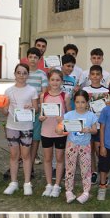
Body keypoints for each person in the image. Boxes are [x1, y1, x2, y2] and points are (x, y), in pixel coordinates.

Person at [1, 62, 39, 195]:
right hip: (12, 126)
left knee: (26, 155)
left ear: (28, 75)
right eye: (19, 73)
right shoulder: (8, 91)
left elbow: (36, 109)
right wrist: (4, 109)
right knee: (13, 155)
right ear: (15, 74)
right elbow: (5, 111)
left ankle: (27, 183)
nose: (21, 75)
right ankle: (13, 182)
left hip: (26, 127)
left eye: (24, 73)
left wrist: (31, 108)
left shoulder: (32, 90)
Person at [62, 89, 99, 204]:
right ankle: (69, 191)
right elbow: (62, 128)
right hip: (71, 144)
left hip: (85, 146)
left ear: (87, 102)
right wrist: (61, 129)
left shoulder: (91, 115)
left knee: (86, 169)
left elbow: (95, 130)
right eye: (77, 102)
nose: (80, 105)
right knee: (70, 168)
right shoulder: (69, 115)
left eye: (83, 102)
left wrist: (89, 130)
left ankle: (86, 192)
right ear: (74, 102)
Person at [39, 69, 68, 197]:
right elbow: (41, 114)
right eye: (52, 80)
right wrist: (41, 118)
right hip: (46, 131)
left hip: (60, 132)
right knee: (47, 158)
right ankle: (49, 184)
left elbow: (69, 114)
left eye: (57, 80)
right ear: (48, 81)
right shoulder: (43, 96)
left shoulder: (65, 96)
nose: (55, 82)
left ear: (61, 81)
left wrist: (63, 119)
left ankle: (57, 185)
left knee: (60, 158)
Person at [25, 48, 49, 173]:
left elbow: (44, 94)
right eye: (31, 57)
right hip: (23, 112)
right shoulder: (24, 72)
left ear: (39, 59)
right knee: (24, 138)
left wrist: (39, 108)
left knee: (35, 139)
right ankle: (25, 163)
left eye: (35, 57)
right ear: (27, 58)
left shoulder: (42, 74)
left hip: (37, 111)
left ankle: (31, 166)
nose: (33, 59)